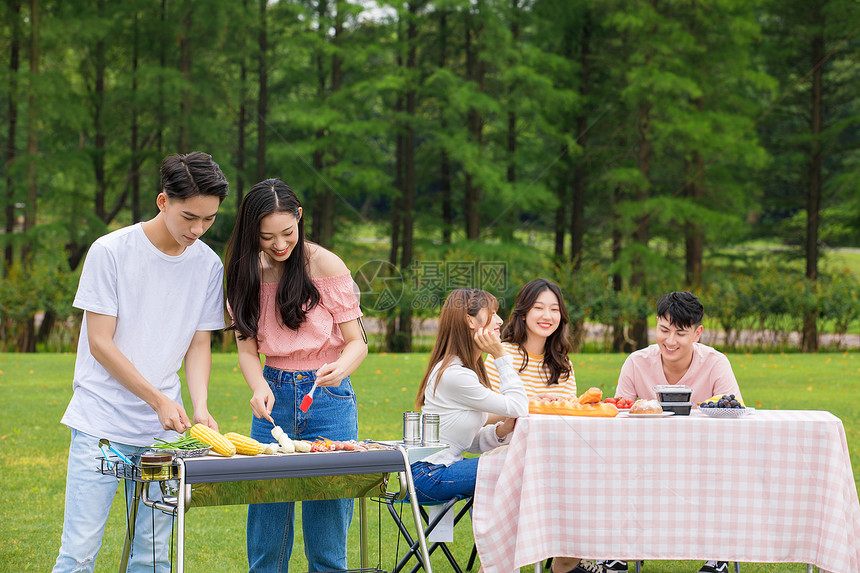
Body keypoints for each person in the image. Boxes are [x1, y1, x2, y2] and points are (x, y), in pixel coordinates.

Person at [52, 152, 230, 573]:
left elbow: (199, 343)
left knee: (152, 559)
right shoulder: (110, 252)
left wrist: (199, 406)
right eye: (190, 217)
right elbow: (100, 343)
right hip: (102, 426)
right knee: (78, 555)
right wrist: (157, 400)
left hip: (163, 434)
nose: (198, 229)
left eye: (209, 220)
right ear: (162, 201)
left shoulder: (208, 264)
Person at [224, 178, 367, 573]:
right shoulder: (246, 271)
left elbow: (357, 342)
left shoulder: (325, 264)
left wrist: (341, 367)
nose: (279, 244)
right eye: (267, 236)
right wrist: (258, 386)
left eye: (287, 232)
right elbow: (246, 347)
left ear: (299, 217)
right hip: (274, 396)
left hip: (328, 398)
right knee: (267, 532)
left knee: (327, 534)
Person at [605, 291, 742, 573]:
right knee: (610, 466)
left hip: (704, 462)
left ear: (697, 333)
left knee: (726, 472)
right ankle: (614, 552)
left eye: (680, 333)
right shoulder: (636, 362)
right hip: (643, 460)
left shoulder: (716, 363)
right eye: (664, 330)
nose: (670, 341)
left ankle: (717, 556)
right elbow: (619, 418)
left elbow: (733, 418)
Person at [484, 278, 576, 399]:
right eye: (538, 308)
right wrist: (529, 404)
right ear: (523, 313)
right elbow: (489, 411)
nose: (547, 316)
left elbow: (571, 411)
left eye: (554, 309)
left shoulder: (563, 364)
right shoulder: (500, 355)